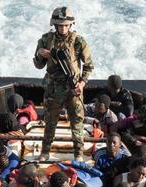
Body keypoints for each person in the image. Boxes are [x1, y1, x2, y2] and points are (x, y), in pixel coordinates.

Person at [33, 6, 94, 161]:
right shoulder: (46, 40)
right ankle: (45, 151)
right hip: (54, 88)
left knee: (77, 122)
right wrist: (41, 54)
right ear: (55, 25)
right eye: (60, 25)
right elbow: (39, 65)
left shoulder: (79, 42)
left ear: (71, 25)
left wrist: (82, 83)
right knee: (50, 121)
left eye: (66, 25)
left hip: (73, 88)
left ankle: (78, 154)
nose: (63, 28)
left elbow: (88, 66)